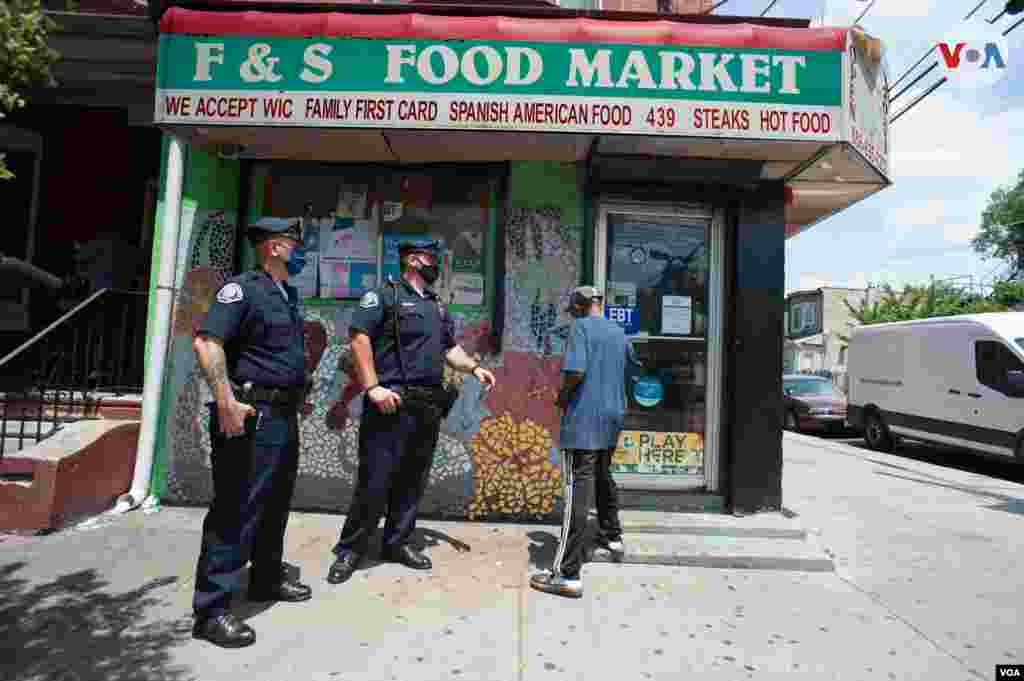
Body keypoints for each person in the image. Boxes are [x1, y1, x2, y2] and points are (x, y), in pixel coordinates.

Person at [326, 239, 496, 585]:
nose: (436, 265)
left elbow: (450, 349)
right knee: (375, 479)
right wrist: (373, 387)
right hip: (391, 401)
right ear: (414, 260)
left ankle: (396, 543)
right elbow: (359, 339)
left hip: (427, 404)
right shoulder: (384, 295)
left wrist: (474, 368)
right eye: (431, 259)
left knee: (412, 479)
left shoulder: (436, 305)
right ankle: (350, 549)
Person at [190, 217, 313, 648]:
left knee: (274, 502)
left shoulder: (286, 294)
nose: (302, 252)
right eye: (297, 244)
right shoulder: (242, 290)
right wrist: (225, 400)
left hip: (281, 414)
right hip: (249, 413)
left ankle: (264, 578)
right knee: (235, 509)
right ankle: (212, 610)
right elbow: (207, 343)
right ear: (276, 248)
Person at [531, 285, 638, 599]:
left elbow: (575, 371)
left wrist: (563, 398)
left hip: (583, 420)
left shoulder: (580, 327)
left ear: (578, 306)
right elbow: (633, 369)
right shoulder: (619, 333)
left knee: (578, 488)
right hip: (612, 416)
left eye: (572, 308)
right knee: (604, 475)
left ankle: (568, 573)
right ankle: (612, 536)